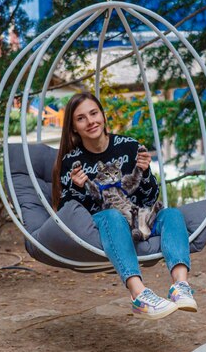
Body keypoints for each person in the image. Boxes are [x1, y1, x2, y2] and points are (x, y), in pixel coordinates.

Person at [52, 92, 197, 320]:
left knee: (171, 214)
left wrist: (146, 172)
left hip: (138, 216)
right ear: (73, 128)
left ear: (103, 116)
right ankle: (139, 295)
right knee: (112, 215)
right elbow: (67, 211)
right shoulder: (73, 160)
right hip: (105, 222)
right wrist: (79, 188)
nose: (90, 122)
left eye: (94, 113)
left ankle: (180, 286)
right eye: (81, 118)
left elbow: (150, 197)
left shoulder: (129, 146)